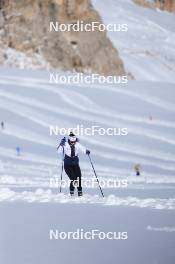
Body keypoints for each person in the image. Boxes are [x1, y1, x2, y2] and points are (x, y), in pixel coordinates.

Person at [57, 132, 90, 196]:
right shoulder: (65, 144)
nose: (73, 143)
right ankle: (71, 193)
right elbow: (58, 151)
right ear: (69, 140)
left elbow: (82, 148)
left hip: (75, 164)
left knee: (79, 178)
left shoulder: (77, 144)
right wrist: (61, 144)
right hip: (67, 165)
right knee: (73, 179)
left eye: (74, 141)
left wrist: (86, 151)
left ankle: (80, 192)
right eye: (72, 142)